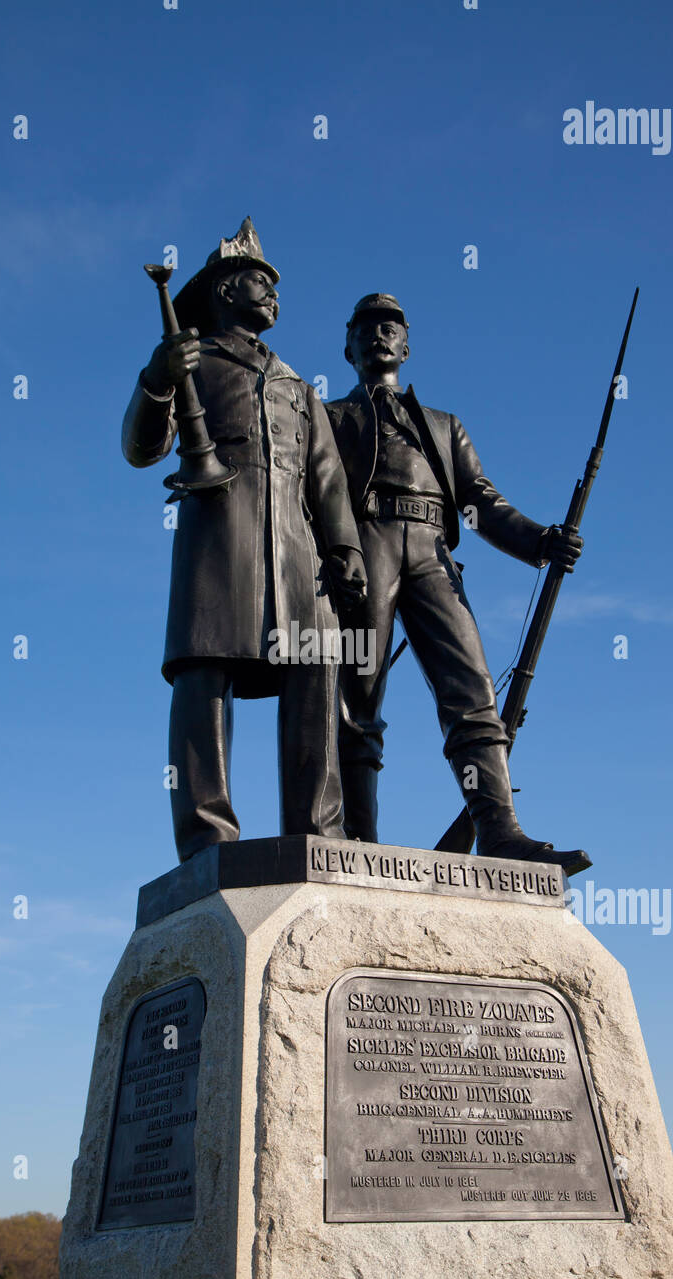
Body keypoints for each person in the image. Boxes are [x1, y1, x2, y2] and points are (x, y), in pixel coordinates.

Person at [122, 219, 366, 861]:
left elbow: (328, 478)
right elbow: (142, 450)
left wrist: (344, 550)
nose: (273, 296)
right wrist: (156, 377)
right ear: (226, 290)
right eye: (260, 283)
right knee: (204, 676)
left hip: (297, 556)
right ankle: (207, 838)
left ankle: (320, 833)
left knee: (317, 671)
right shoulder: (190, 359)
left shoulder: (296, 385)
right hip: (218, 544)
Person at [325, 293, 588, 873]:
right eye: (366, 327)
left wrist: (540, 541)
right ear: (347, 346)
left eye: (391, 326)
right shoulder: (329, 419)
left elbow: (481, 502)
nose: (379, 334)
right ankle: (357, 845)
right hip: (364, 544)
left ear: (407, 345)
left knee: (473, 693)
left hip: (433, 554)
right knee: (356, 699)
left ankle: (499, 833)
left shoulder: (444, 427)